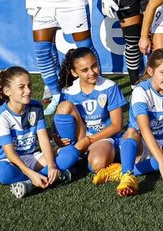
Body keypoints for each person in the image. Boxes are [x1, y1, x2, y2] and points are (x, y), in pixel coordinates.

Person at [103, 50, 163, 197]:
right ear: (150, 71)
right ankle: (127, 174)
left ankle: (124, 170)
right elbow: (144, 130)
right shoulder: (140, 91)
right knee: (132, 131)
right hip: (140, 143)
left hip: (161, 142)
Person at [0, 66, 78, 198]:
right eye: (21, 87)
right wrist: (31, 173)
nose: (28, 90)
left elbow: (43, 139)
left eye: (29, 85)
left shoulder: (36, 107)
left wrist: (52, 165)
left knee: (72, 153)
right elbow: (10, 154)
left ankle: (30, 183)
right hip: (7, 162)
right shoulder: (2, 115)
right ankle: (43, 177)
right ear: (7, 91)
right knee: (3, 174)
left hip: (30, 157)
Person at [53, 47, 126, 176]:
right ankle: (71, 152)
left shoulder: (109, 86)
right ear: (74, 73)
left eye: (94, 66)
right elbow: (58, 120)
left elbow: (117, 126)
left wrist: (88, 141)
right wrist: (57, 138)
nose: (92, 72)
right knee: (65, 106)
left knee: (98, 164)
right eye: (84, 70)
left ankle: (73, 160)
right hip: (80, 137)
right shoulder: (68, 91)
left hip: (103, 137)